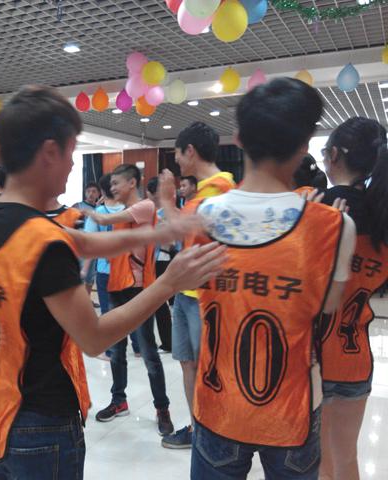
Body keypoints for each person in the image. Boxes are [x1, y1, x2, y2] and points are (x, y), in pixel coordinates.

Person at [0, 85, 225, 480]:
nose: (74, 164)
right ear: (49, 152)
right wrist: (168, 283)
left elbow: (84, 241)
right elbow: (94, 337)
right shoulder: (43, 241)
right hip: (40, 422)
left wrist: (158, 233)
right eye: (71, 153)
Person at [178, 77, 356, 479]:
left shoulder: (201, 216)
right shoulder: (334, 226)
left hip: (219, 403)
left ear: (238, 139)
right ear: (304, 145)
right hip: (293, 407)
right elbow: (327, 308)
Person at [318, 117, 388, 480]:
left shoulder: (320, 209)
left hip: (314, 357)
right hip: (355, 356)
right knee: (347, 459)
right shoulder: (382, 217)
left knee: (319, 463)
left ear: (334, 155)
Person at [85, 164, 174, 436]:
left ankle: (162, 409)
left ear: (132, 183)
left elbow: (105, 222)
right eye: (110, 184)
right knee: (116, 350)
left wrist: (89, 212)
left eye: (116, 183)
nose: (112, 188)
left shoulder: (144, 207)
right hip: (116, 286)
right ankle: (119, 400)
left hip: (139, 291)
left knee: (149, 353)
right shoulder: (124, 212)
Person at [162, 122, 236, 449]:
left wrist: (166, 199)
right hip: (186, 293)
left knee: (209, 369)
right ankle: (197, 427)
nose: (178, 161)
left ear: (190, 151)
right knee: (188, 363)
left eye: (178, 154)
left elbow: (176, 228)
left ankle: (214, 431)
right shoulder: (205, 190)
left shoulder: (220, 188)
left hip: (206, 298)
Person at [82, 174, 140, 359]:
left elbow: (89, 242)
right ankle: (138, 348)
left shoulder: (99, 212)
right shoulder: (129, 210)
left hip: (105, 271)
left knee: (108, 313)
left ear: (102, 191)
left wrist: (85, 269)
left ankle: (110, 351)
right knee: (131, 310)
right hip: (128, 270)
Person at [146, 176, 172, 353]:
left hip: (161, 259)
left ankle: (167, 342)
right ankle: (165, 341)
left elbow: (169, 241)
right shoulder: (152, 212)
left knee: (160, 303)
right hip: (151, 260)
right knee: (155, 303)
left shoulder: (166, 213)